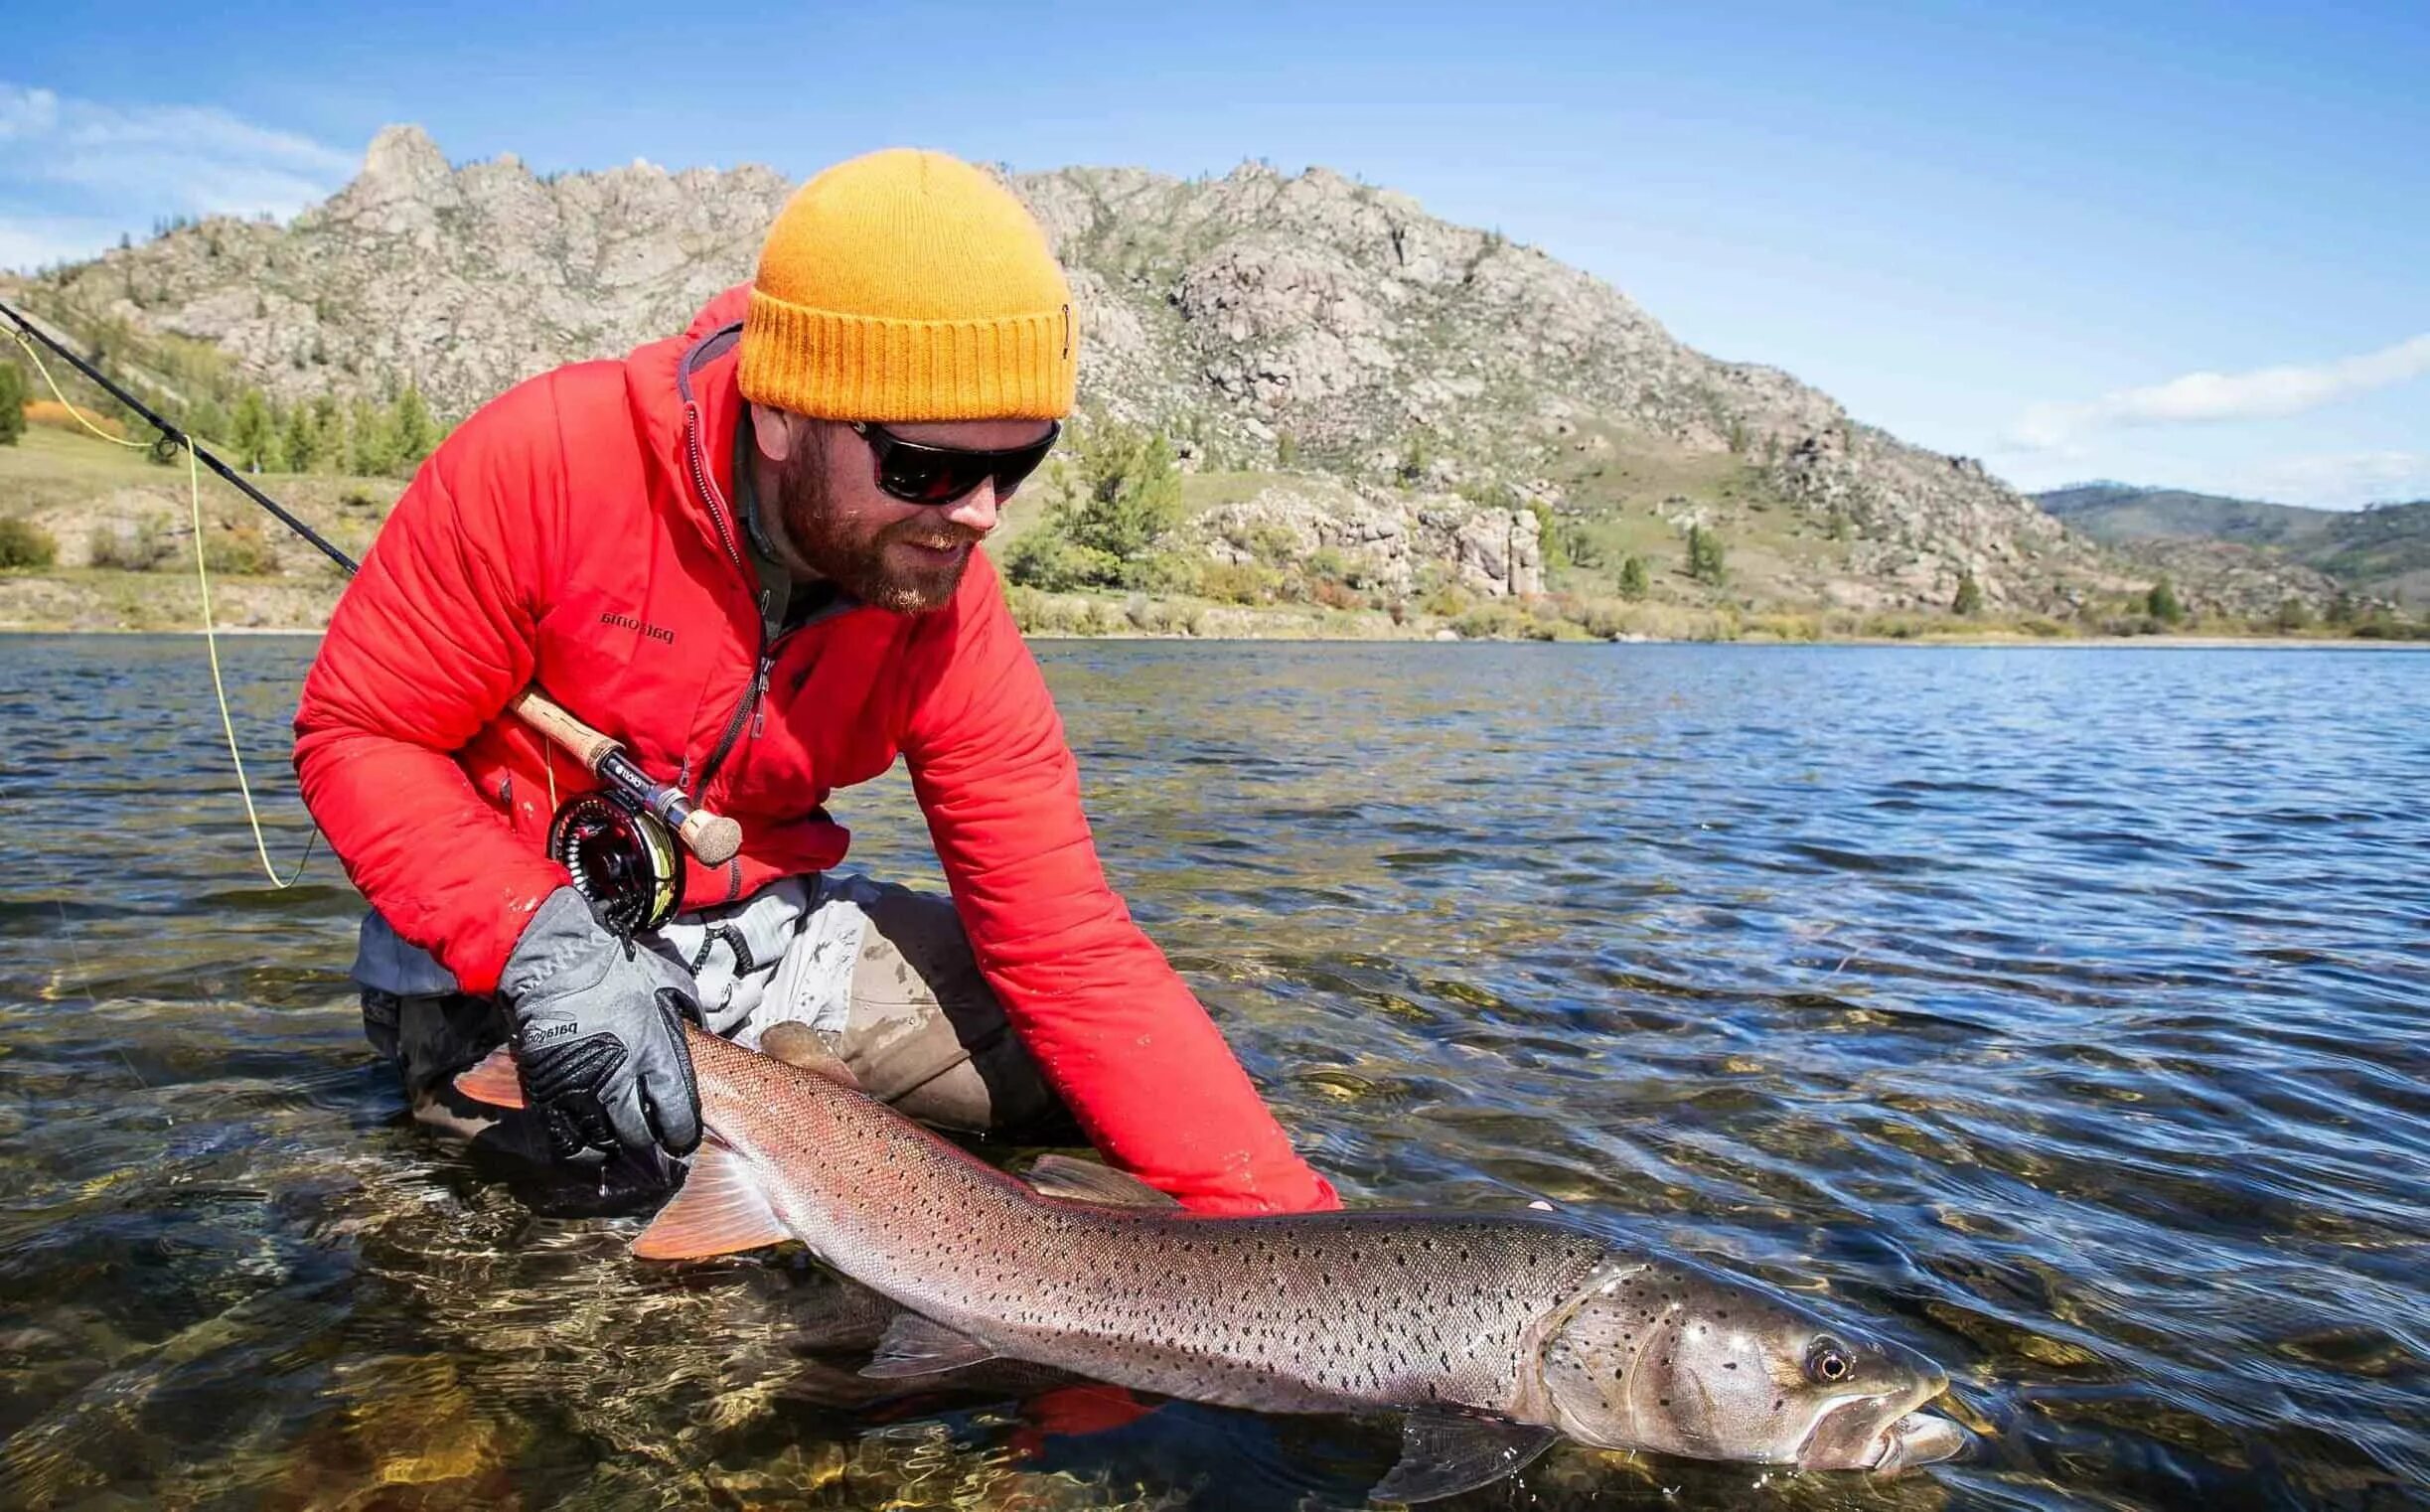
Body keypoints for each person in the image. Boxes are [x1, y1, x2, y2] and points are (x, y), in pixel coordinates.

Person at [294, 148, 1337, 1216]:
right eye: (926, 467)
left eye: (1016, 465)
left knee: (1102, 1089)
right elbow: (359, 735)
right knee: (633, 1269)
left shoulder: (940, 591)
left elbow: (1063, 937)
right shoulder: (544, 460)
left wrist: (1285, 1235)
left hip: (773, 933)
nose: (980, 512)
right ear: (784, 415)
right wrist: (539, 935)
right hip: (510, 952)